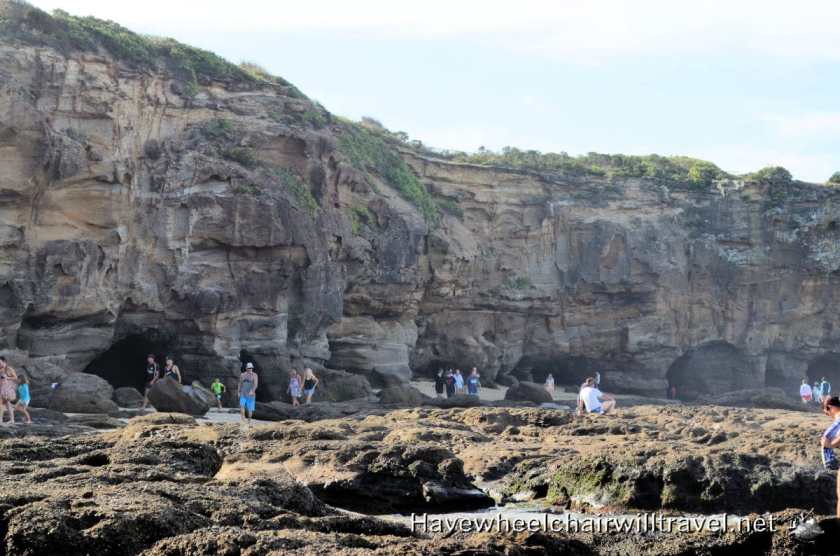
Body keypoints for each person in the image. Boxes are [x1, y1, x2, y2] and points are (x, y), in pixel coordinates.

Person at [820, 396, 840, 516]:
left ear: (830, 408)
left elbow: (826, 440)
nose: (829, 415)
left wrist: (832, 444)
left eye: (827, 413)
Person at [239, 362, 258, 426]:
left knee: (250, 410)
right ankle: (243, 420)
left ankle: (249, 421)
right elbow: (240, 384)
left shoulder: (255, 375)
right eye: (249, 368)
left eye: (251, 368)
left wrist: (252, 391)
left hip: (251, 395)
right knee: (242, 406)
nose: (250, 369)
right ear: (246, 368)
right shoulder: (242, 375)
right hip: (243, 393)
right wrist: (238, 391)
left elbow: (255, 384)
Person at [0, 357, 18, 425]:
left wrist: (7, 377)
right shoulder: (0, 369)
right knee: (8, 405)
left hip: (6, 389)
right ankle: (12, 420)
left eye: (0, 362)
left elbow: (15, 377)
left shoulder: (9, 369)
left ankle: (0, 420)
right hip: (1, 388)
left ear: (4, 362)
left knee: (1, 404)